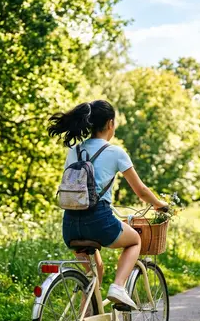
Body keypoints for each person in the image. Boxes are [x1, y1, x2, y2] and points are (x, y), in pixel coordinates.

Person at [48, 100, 168, 310]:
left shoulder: (74, 151)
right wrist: (159, 204)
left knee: (94, 273)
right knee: (135, 241)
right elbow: (140, 191)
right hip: (98, 221)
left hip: (70, 225)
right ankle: (119, 287)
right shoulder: (115, 152)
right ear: (110, 124)